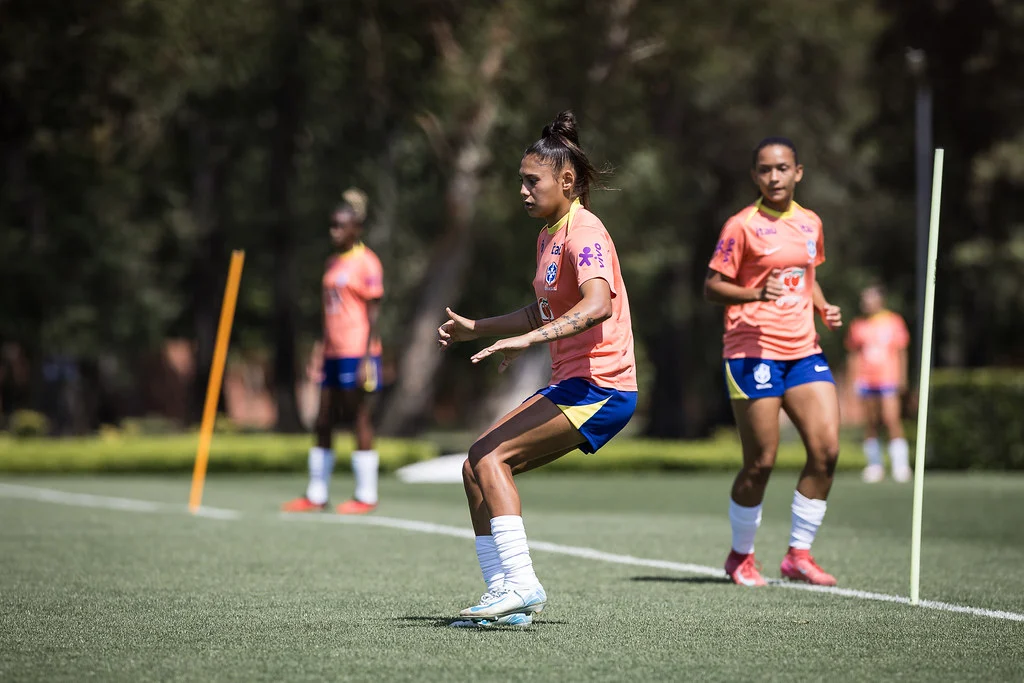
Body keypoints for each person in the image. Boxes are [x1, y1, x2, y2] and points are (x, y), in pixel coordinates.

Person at [438, 111, 637, 627]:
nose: (523, 191)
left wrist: (526, 340)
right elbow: (541, 310)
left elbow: (598, 305)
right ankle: (503, 595)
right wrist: (476, 327)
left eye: (533, 181)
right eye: (521, 181)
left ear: (566, 181)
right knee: (475, 463)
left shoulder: (585, 230)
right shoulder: (550, 234)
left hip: (601, 384)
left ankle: (523, 585)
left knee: (491, 457)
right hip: (573, 382)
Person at [704, 137, 843, 588]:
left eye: (783, 168)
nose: (775, 177)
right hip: (751, 352)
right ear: (755, 176)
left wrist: (822, 306)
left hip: (804, 350)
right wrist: (754, 293)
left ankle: (798, 555)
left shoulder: (810, 222)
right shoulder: (740, 226)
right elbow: (712, 287)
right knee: (761, 462)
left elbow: (807, 276)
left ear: (798, 172)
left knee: (827, 452)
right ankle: (740, 556)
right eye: (765, 170)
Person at [283, 188, 385, 515]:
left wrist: (368, 357)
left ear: (356, 228)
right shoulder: (332, 261)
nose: (334, 231)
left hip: (357, 351)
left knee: (358, 417)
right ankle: (316, 493)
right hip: (331, 351)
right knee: (323, 417)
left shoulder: (367, 262)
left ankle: (366, 495)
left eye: (341, 226)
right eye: (332, 225)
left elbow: (373, 312)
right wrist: (319, 349)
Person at [846, 284, 911, 483]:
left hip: (888, 377)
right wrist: (852, 381)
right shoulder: (858, 325)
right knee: (871, 422)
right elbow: (854, 355)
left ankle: (900, 465)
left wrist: (903, 378)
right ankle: (874, 465)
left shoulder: (894, 321)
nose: (865, 303)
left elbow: (901, 351)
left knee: (891, 419)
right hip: (867, 379)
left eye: (869, 298)